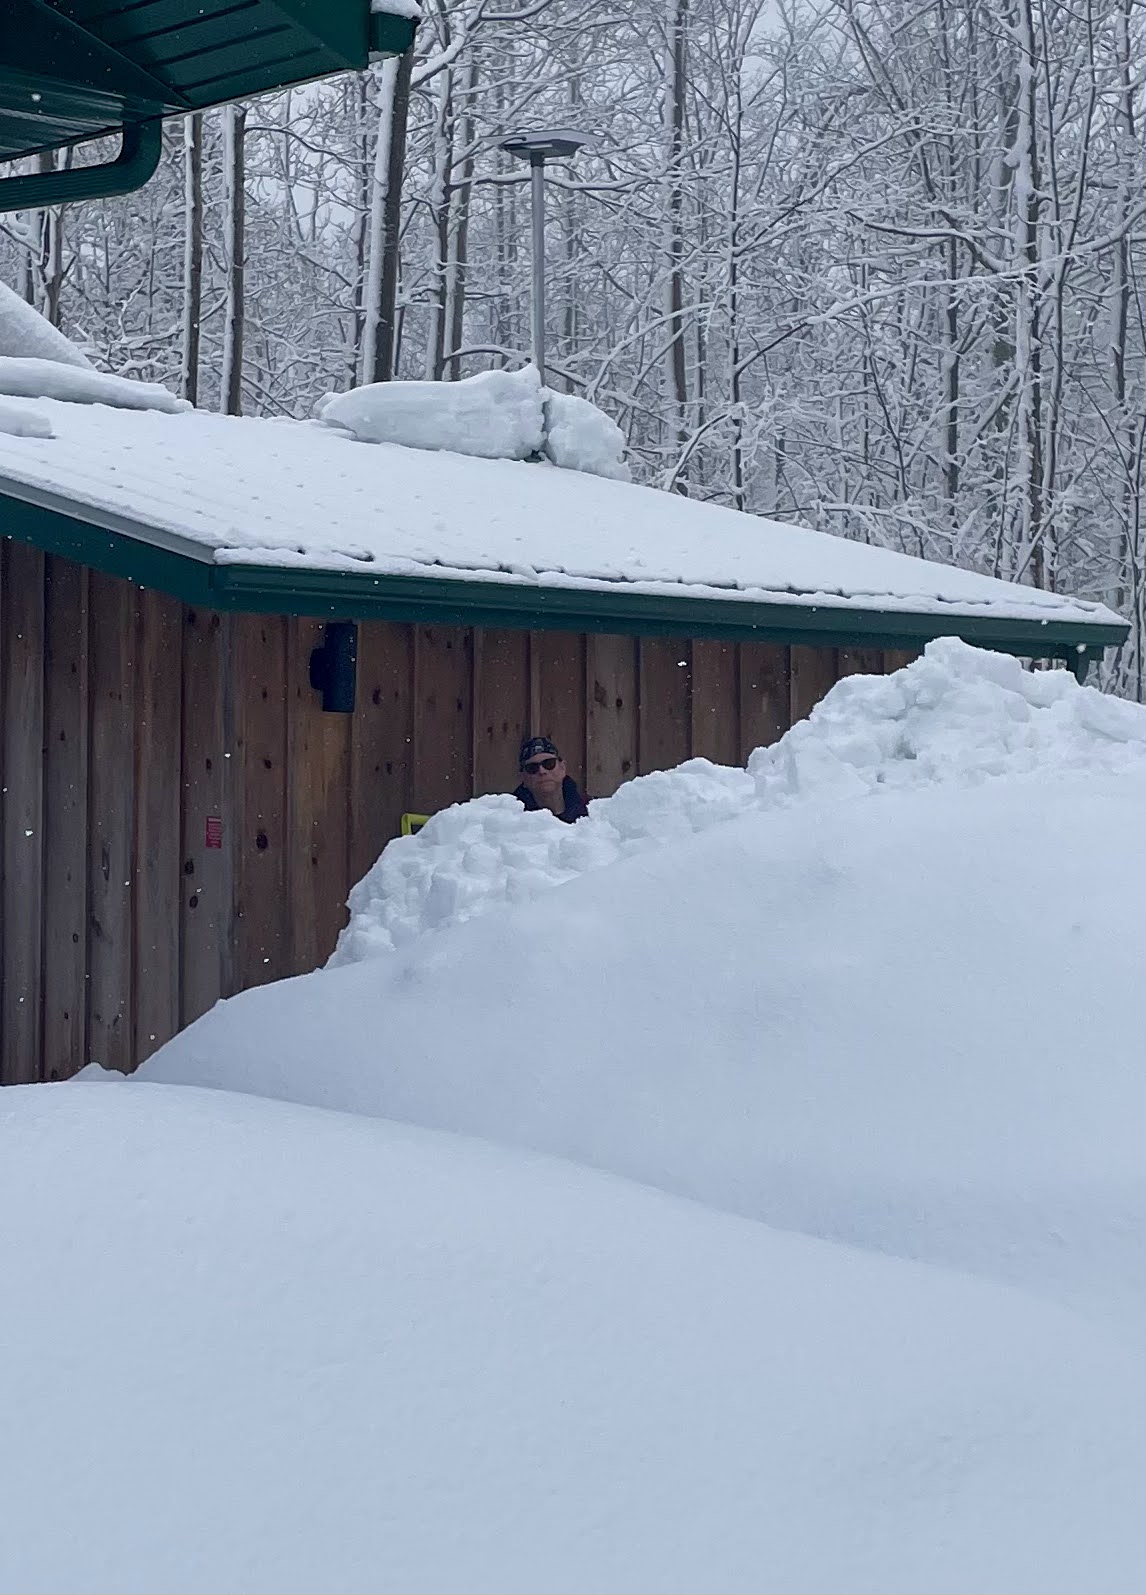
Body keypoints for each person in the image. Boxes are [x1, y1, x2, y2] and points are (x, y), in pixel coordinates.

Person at [514, 735, 589, 823]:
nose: (542, 771)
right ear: (522, 777)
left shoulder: (592, 811)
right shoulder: (513, 818)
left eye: (549, 764)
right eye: (532, 768)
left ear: (563, 767)